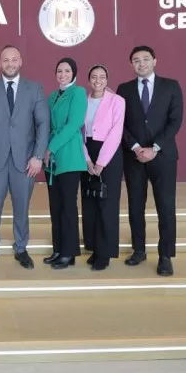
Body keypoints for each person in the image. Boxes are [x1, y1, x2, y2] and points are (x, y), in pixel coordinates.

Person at [0, 45, 50, 269]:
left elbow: (43, 124)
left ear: (20, 62)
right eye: (6, 60)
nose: (10, 64)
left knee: (22, 207)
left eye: (14, 59)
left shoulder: (35, 89)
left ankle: (21, 248)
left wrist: (38, 156)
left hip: (25, 161)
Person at [117, 46, 184, 276]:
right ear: (131, 64)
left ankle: (165, 256)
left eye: (146, 59)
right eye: (136, 60)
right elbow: (120, 123)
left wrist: (154, 148)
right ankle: (139, 250)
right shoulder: (124, 89)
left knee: (166, 207)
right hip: (134, 157)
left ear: (155, 61)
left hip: (163, 156)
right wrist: (136, 147)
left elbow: (175, 121)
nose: (141, 63)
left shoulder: (171, 86)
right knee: (135, 206)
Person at [43, 58, 87, 270]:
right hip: (52, 161)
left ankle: (69, 253)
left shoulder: (78, 93)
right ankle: (58, 249)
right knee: (56, 206)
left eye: (67, 71)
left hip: (69, 156)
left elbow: (74, 124)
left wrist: (50, 147)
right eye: (59, 71)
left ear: (74, 73)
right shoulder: (52, 96)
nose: (63, 74)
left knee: (68, 206)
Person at [80, 64, 125, 271]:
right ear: (89, 80)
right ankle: (94, 247)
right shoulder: (83, 100)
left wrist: (100, 163)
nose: (98, 81)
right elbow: (79, 131)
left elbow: (116, 133)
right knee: (90, 201)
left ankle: (105, 252)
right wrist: (87, 160)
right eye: (94, 77)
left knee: (107, 204)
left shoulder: (117, 101)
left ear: (107, 80)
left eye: (102, 77)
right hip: (86, 153)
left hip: (109, 154)